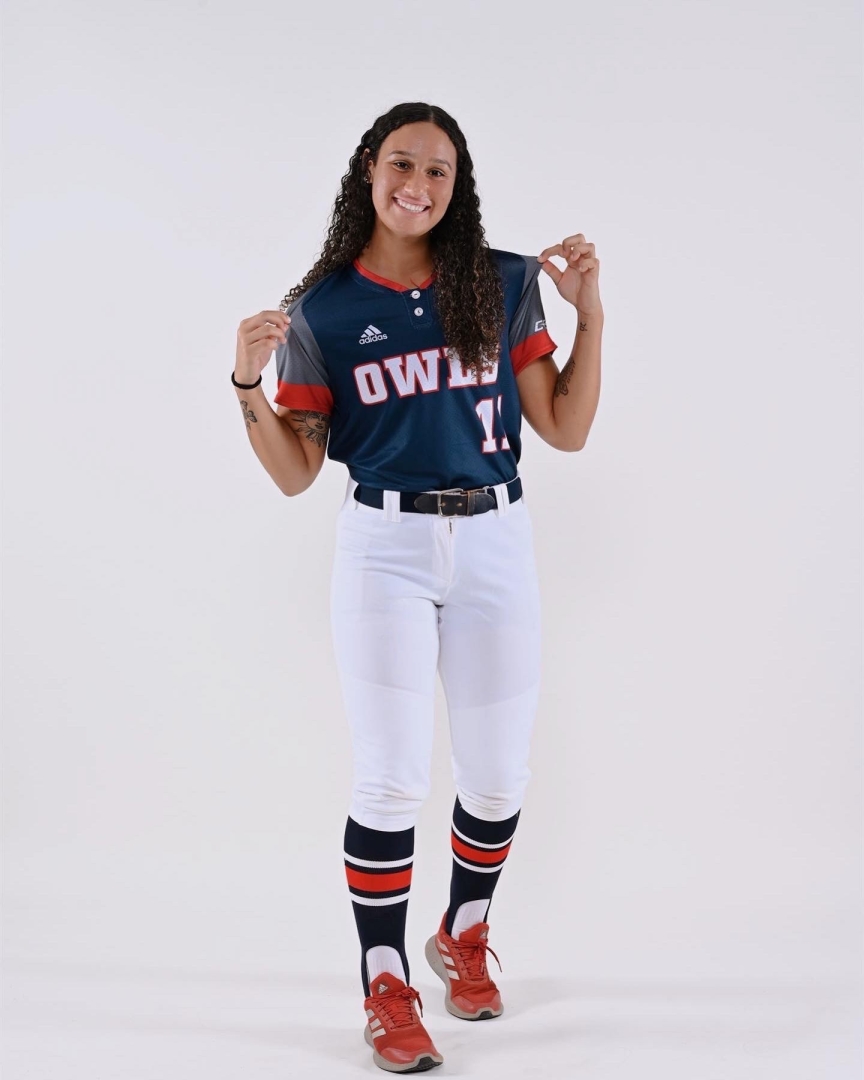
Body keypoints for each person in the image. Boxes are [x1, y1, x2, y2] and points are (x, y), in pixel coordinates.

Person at [232, 101, 603, 1074]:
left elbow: (564, 429)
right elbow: (294, 473)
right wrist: (246, 384)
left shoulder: (502, 282)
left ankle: (462, 932)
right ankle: (385, 982)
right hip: (386, 547)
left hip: (496, 538)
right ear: (369, 169)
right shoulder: (323, 311)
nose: (419, 185)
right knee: (391, 778)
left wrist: (590, 316)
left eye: (439, 171)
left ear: (457, 186)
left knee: (498, 777)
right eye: (402, 164)